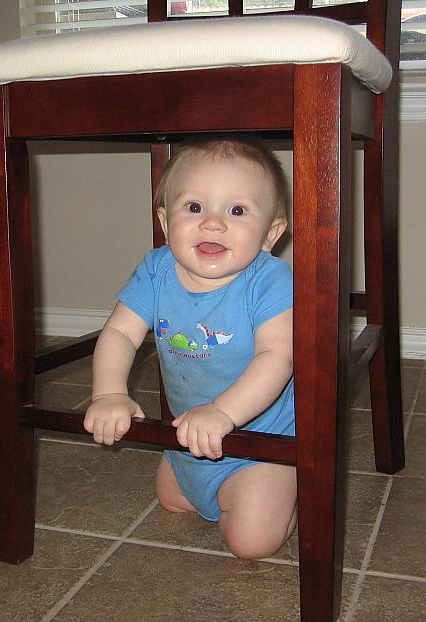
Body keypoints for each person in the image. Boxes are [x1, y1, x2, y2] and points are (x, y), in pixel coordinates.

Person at [83, 136, 295, 559]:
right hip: (187, 439)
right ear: (165, 222)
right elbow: (121, 333)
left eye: (237, 211)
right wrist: (108, 393)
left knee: (251, 544)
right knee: (173, 500)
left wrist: (223, 412)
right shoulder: (156, 269)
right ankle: (209, 487)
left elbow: (278, 356)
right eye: (194, 207)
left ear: (270, 233)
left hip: (261, 447)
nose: (212, 224)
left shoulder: (270, 281)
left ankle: (295, 497)